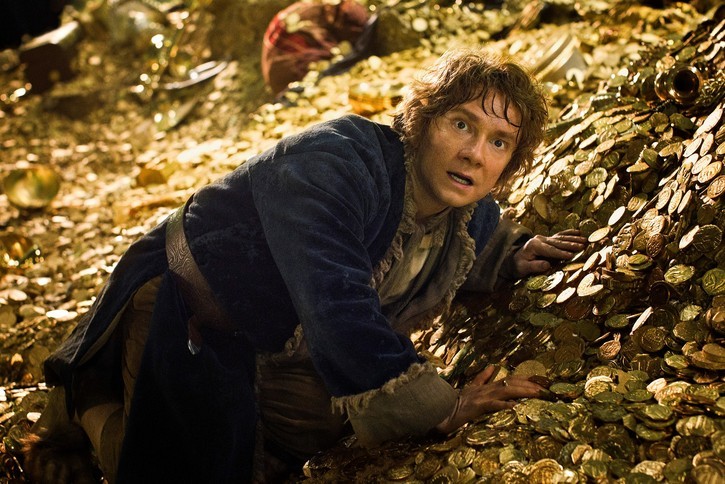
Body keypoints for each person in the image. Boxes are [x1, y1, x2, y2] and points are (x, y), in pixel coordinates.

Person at [22, 48, 588, 483]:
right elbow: (337, 303)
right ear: (422, 120)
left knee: (314, 437)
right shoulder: (336, 160)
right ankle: (85, 399)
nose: (474, 153)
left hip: (280, 341)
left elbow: (473, 234)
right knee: (179, 472)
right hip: (190, 306)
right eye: (461, 124)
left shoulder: (464, 202)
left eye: (499, 142)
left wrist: (512, 255)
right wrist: (444, 407)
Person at [261, 0, 377, 95]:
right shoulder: (342, 10)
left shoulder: (309, 7)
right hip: (295, 77)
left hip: (277, 82)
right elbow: (358, 30)